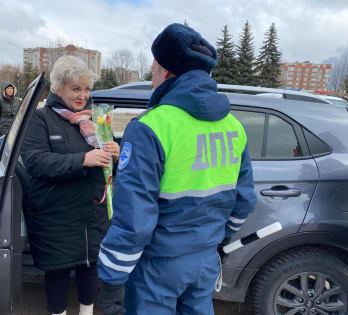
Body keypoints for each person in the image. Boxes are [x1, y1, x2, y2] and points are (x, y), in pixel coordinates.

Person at [96, 23, 257, 315]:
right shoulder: (234, 126)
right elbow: (244, 201)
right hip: (205, 260)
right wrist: (218, 240)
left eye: (153, 67)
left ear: (166, 71)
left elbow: (134, 218)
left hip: (157, 266)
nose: (151, 75)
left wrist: (111, 282)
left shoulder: (150, 127)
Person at [20, 55, 120, 315]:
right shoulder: (41, 118)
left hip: (92, 216)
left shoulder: (98, 121)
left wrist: (116, 155)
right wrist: (82, 160)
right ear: (59, 88)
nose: (82, 95)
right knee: (58, 274)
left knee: (90, 270)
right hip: (56, 217)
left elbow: (109, 172)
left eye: (87, 89)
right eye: (76, 89)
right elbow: (35, 161)